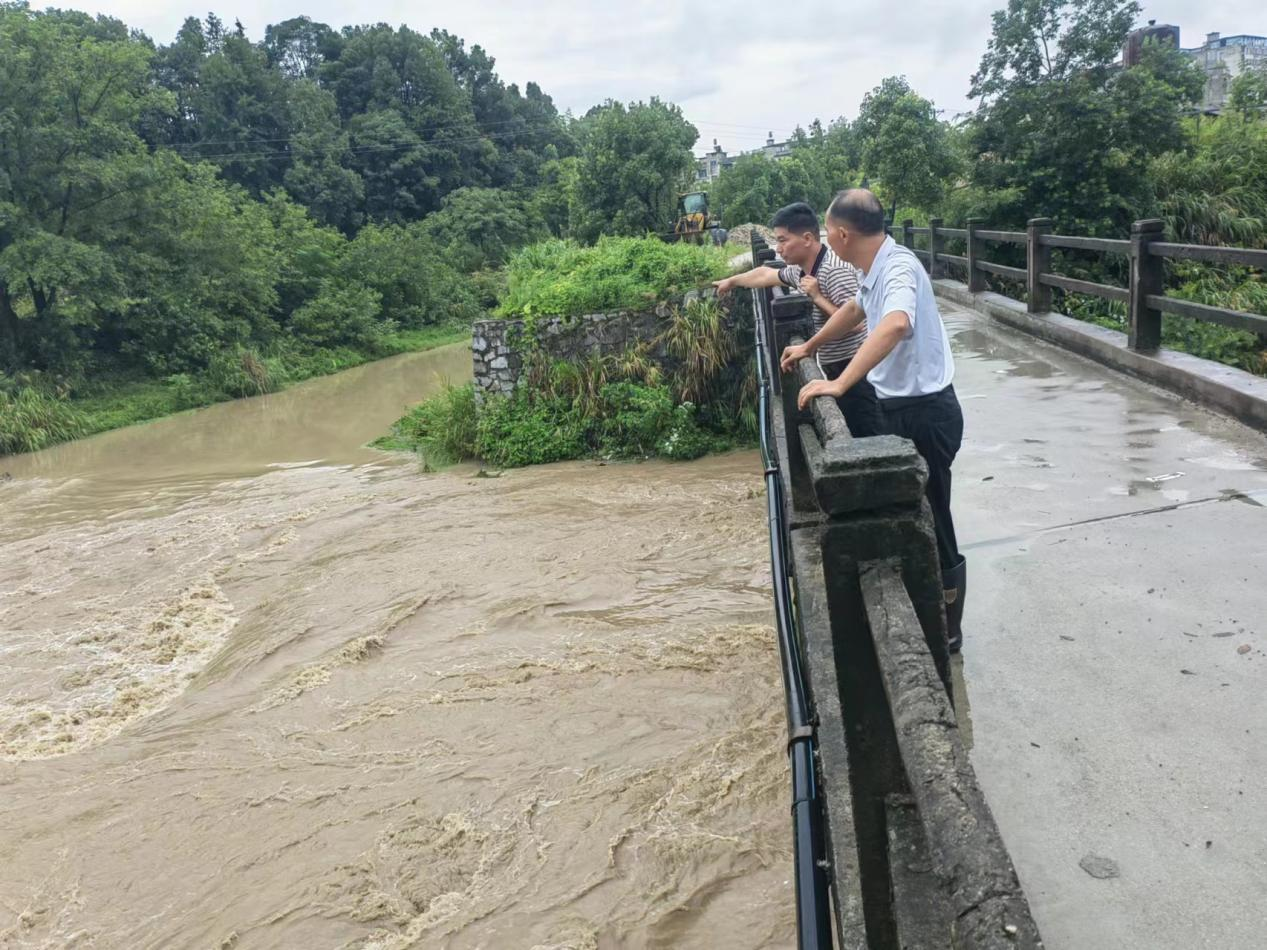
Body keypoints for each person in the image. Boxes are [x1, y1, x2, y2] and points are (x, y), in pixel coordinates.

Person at [782, 189, 967, 652]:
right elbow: (854, 310)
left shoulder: (899, 267)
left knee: (934, 514)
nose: (826, 238)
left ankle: (948, 627)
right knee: (909, 507)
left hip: (926, 412)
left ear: (843, 234)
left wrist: (840, 382)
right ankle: (923, 604)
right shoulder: (874, 268)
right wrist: (809, 348)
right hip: (900, 408)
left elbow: (896, 323)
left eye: (827, 231)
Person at [714, 202, 881, 437]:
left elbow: (857, 323)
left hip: (856, 369)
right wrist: (732, 281)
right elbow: (765, 274)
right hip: (837, 366)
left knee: (867, 435)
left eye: (783, 240)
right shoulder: (802, 270)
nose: (779, 248)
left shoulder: (833, 270)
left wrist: (817, 297)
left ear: (807, 238)